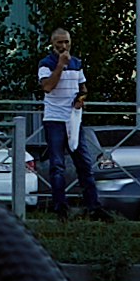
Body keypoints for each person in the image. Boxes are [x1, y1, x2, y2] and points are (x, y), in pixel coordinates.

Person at [33, 32, 98, 215]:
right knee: (57, 165)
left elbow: (83, 88)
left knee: (84, 164)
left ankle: (93, 206)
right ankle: (60, 207)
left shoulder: (77, 63)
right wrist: (60, 65)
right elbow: (47, 87)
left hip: (73, 119)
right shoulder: (46, 64)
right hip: (54, 119)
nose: (64, 46)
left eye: (66, 42)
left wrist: (81, 98)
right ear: (53, 43)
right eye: (60, 42)